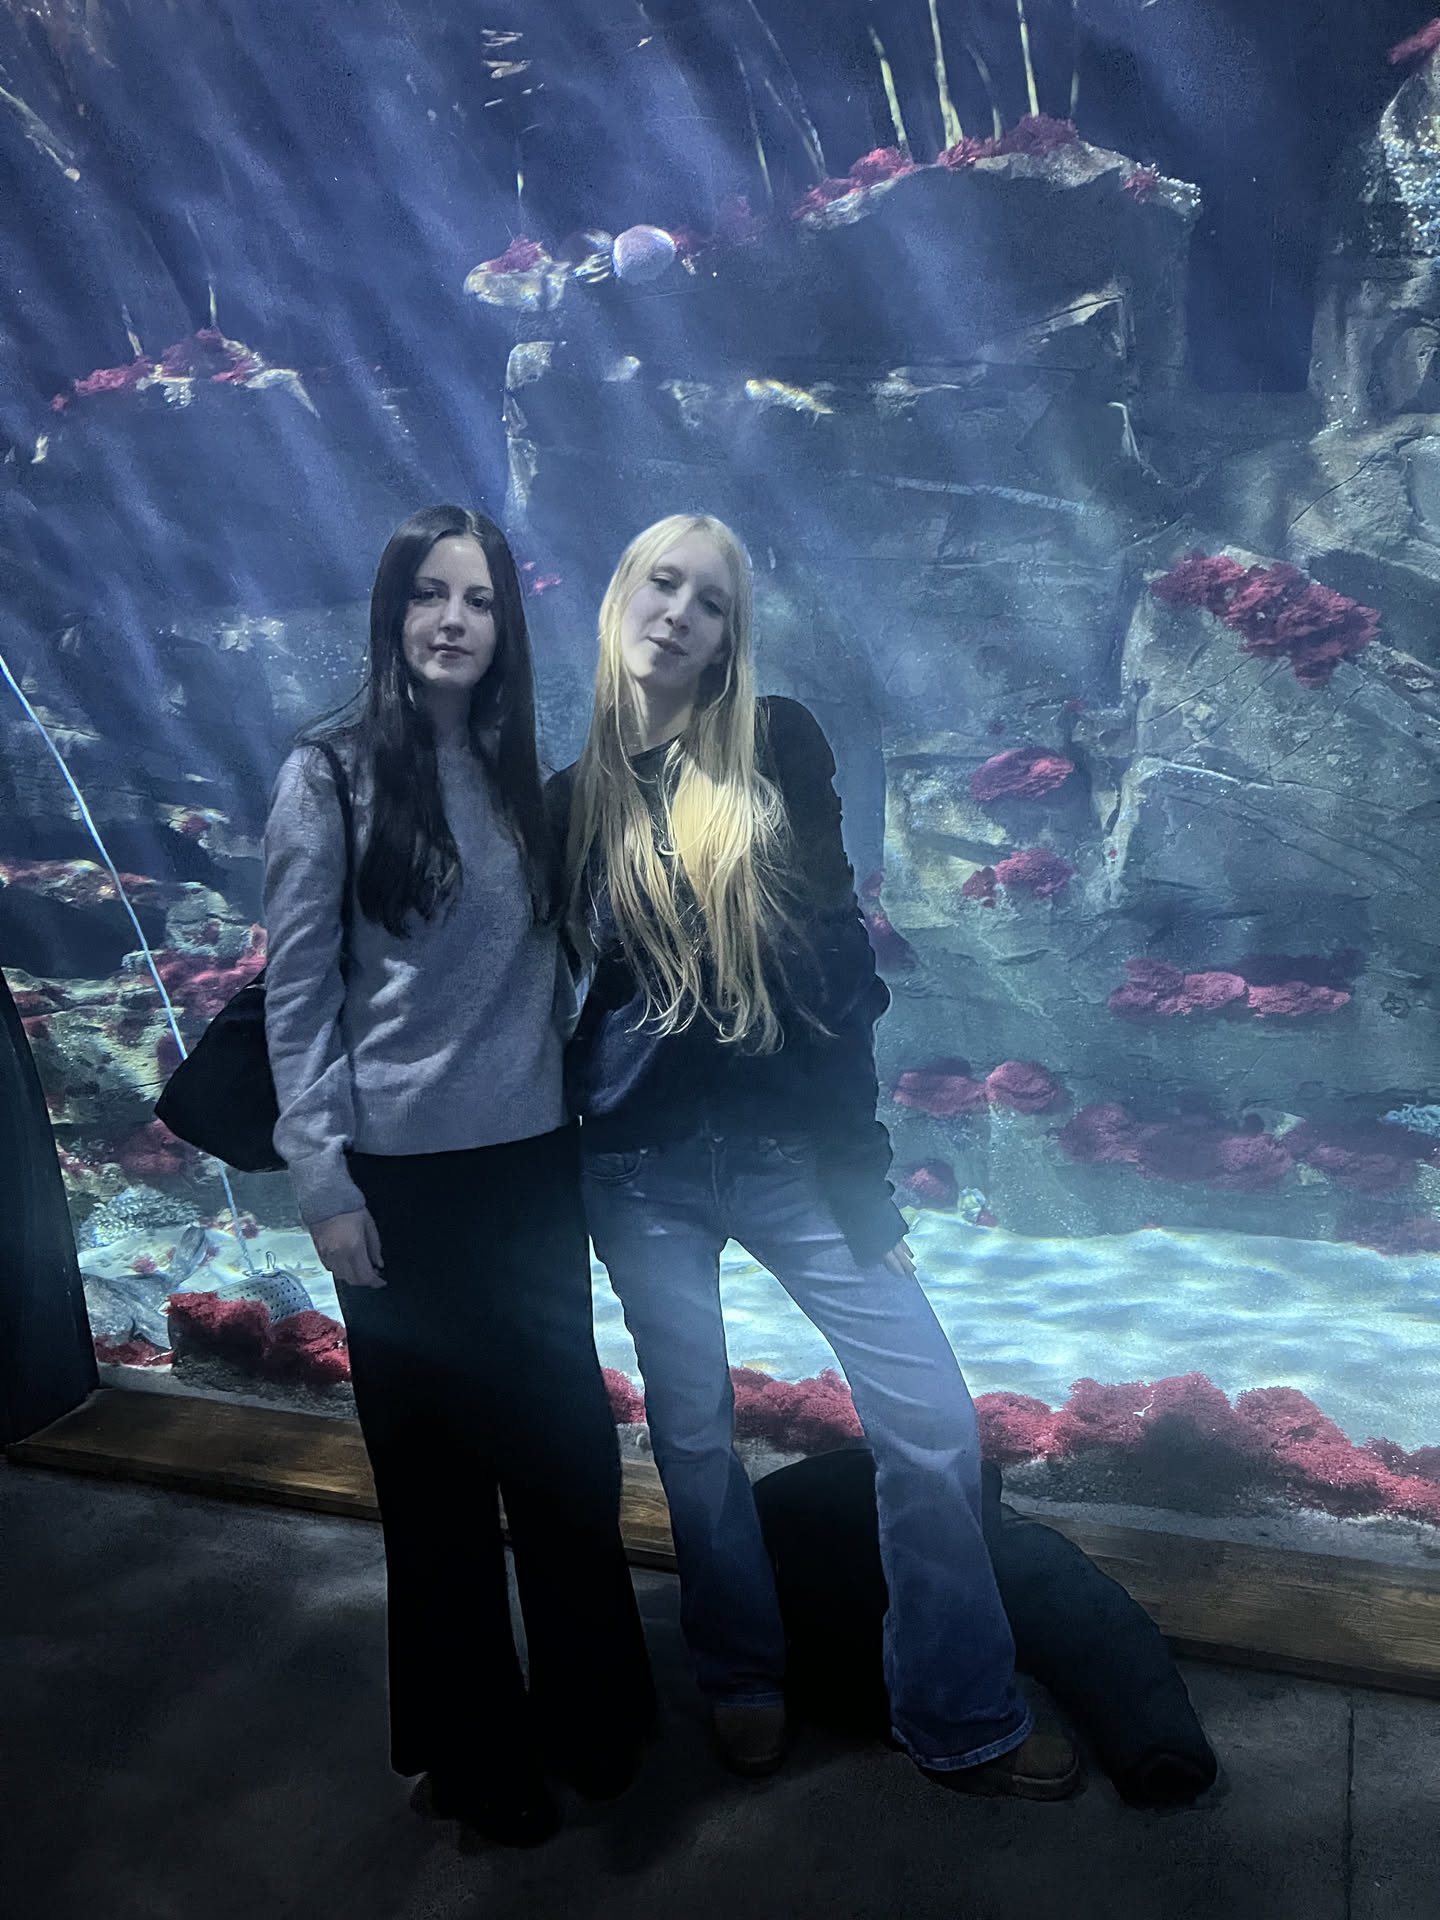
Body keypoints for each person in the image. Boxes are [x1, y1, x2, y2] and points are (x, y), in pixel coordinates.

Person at [549, 513, 1078, 1798]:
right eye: (663, 585)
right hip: (634, 1170)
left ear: (731, 637)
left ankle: (957, 1709)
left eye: (711, 602)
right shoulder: (566, 800)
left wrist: (861, 1171)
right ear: (620, 599)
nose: (680, 614)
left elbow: (839, 971)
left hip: (791, 1154)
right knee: (692, 1438)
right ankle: (741, 1671)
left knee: (934, 1425)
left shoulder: (779, 745)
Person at [262, 505, 655, 1848]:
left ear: (506, 625)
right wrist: (322, 1179)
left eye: (478, 599)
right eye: (429, 594)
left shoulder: (522, 773)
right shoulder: (326, 774)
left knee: (565, 1462)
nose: (452, 620)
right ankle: (476, 1753)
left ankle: (594, 1717)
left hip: (530, 1171)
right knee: (435, 1493)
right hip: (399, 1186)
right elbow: (298, 995)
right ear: (393, 611)